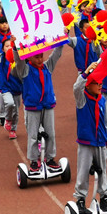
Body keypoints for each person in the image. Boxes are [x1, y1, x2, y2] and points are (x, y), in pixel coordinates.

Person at [12, 42, 66, 174]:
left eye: (41, 56)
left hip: (47, 105)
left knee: (51, 134)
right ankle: (34, 161)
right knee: (33, 135)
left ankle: (50, 158)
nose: (40, 59)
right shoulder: (25, 70)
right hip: (32, 107)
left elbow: (56, 55)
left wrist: (61, 41)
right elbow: (18, 60)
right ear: (29, 57)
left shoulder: (47, 67)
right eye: (36, 57)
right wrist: (15, 48)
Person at [73, 61, 107, 214]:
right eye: (96, 83)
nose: (99, 86)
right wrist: (85, 73)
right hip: (86, 141)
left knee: (102, 169)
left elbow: (105, 119)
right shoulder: (82, 99)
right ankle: (81, 199)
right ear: (88, 85)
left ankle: (104, 196)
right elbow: (76, 87)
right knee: (83, 170)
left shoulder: (102, 100)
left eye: (101, 83)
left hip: (100, 141)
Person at [0, 36, 22, 139]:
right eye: (6, 46)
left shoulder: (19, 59)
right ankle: (7, 119)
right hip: (5, 88)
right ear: (3, 49)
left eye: (11, 46)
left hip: (17, 89)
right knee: (9, 103)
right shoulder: (0, 59)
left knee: (16, 112)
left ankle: (13, 130)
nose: (9, 47)